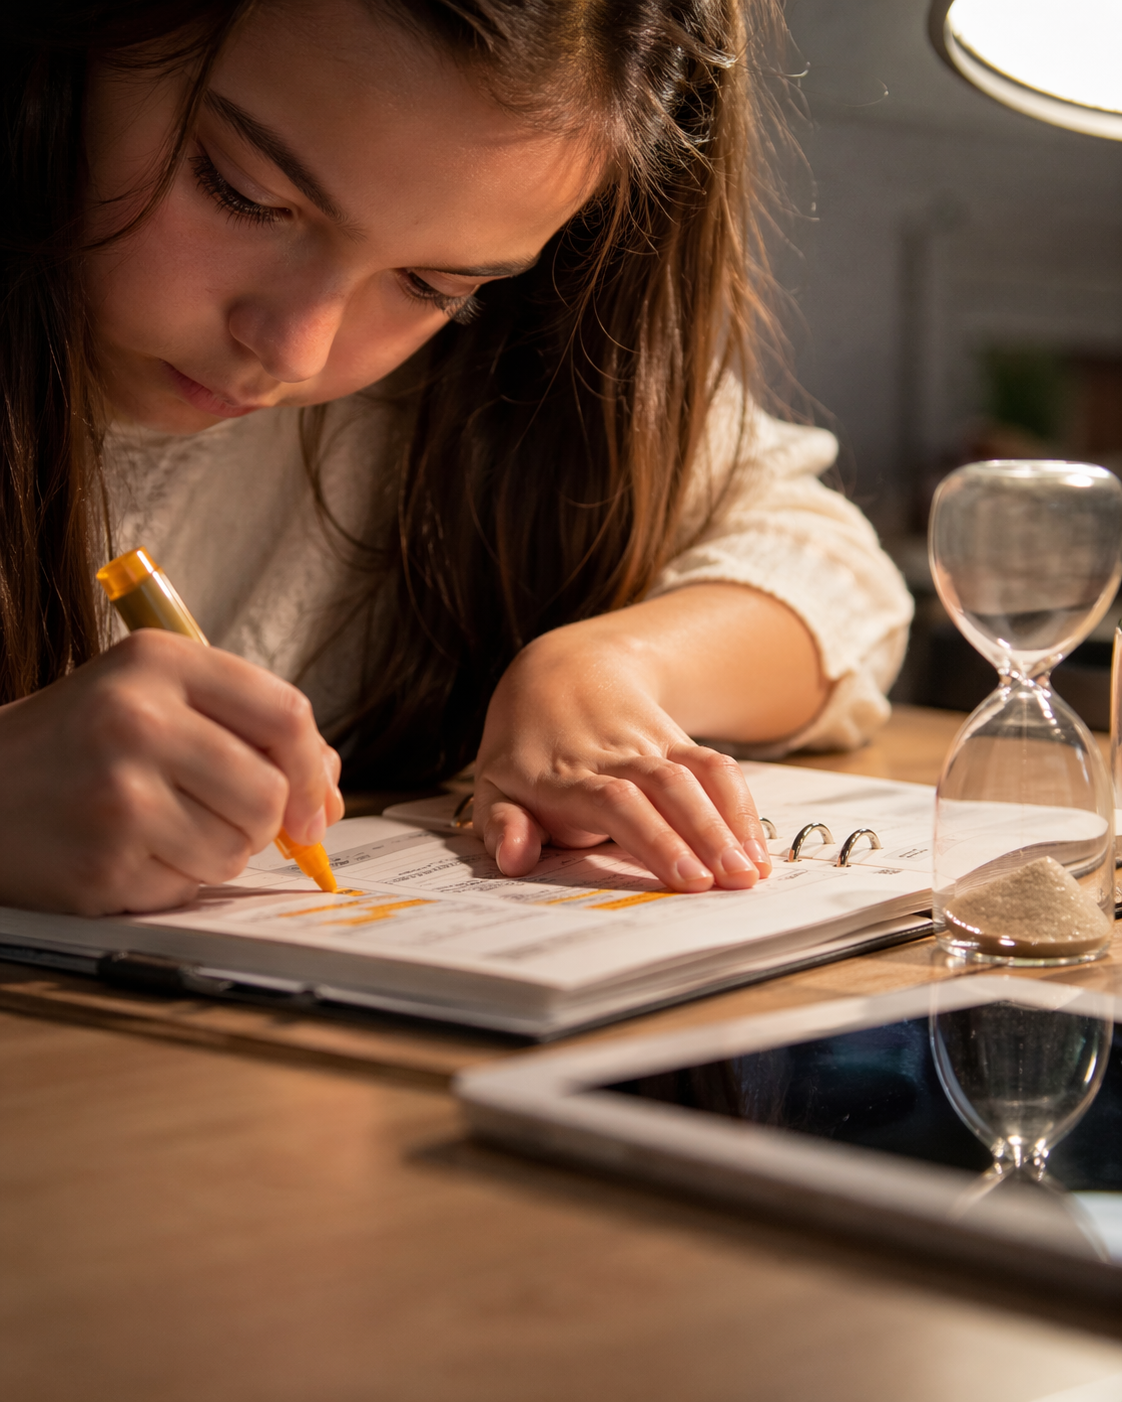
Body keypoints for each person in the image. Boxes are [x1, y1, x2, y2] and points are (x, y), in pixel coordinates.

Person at [0, 0, 912, 917]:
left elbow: (829, 568)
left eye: (434, 287)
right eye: (246, 195)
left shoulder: (492, 374)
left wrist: (604, 672)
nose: (296, 352)